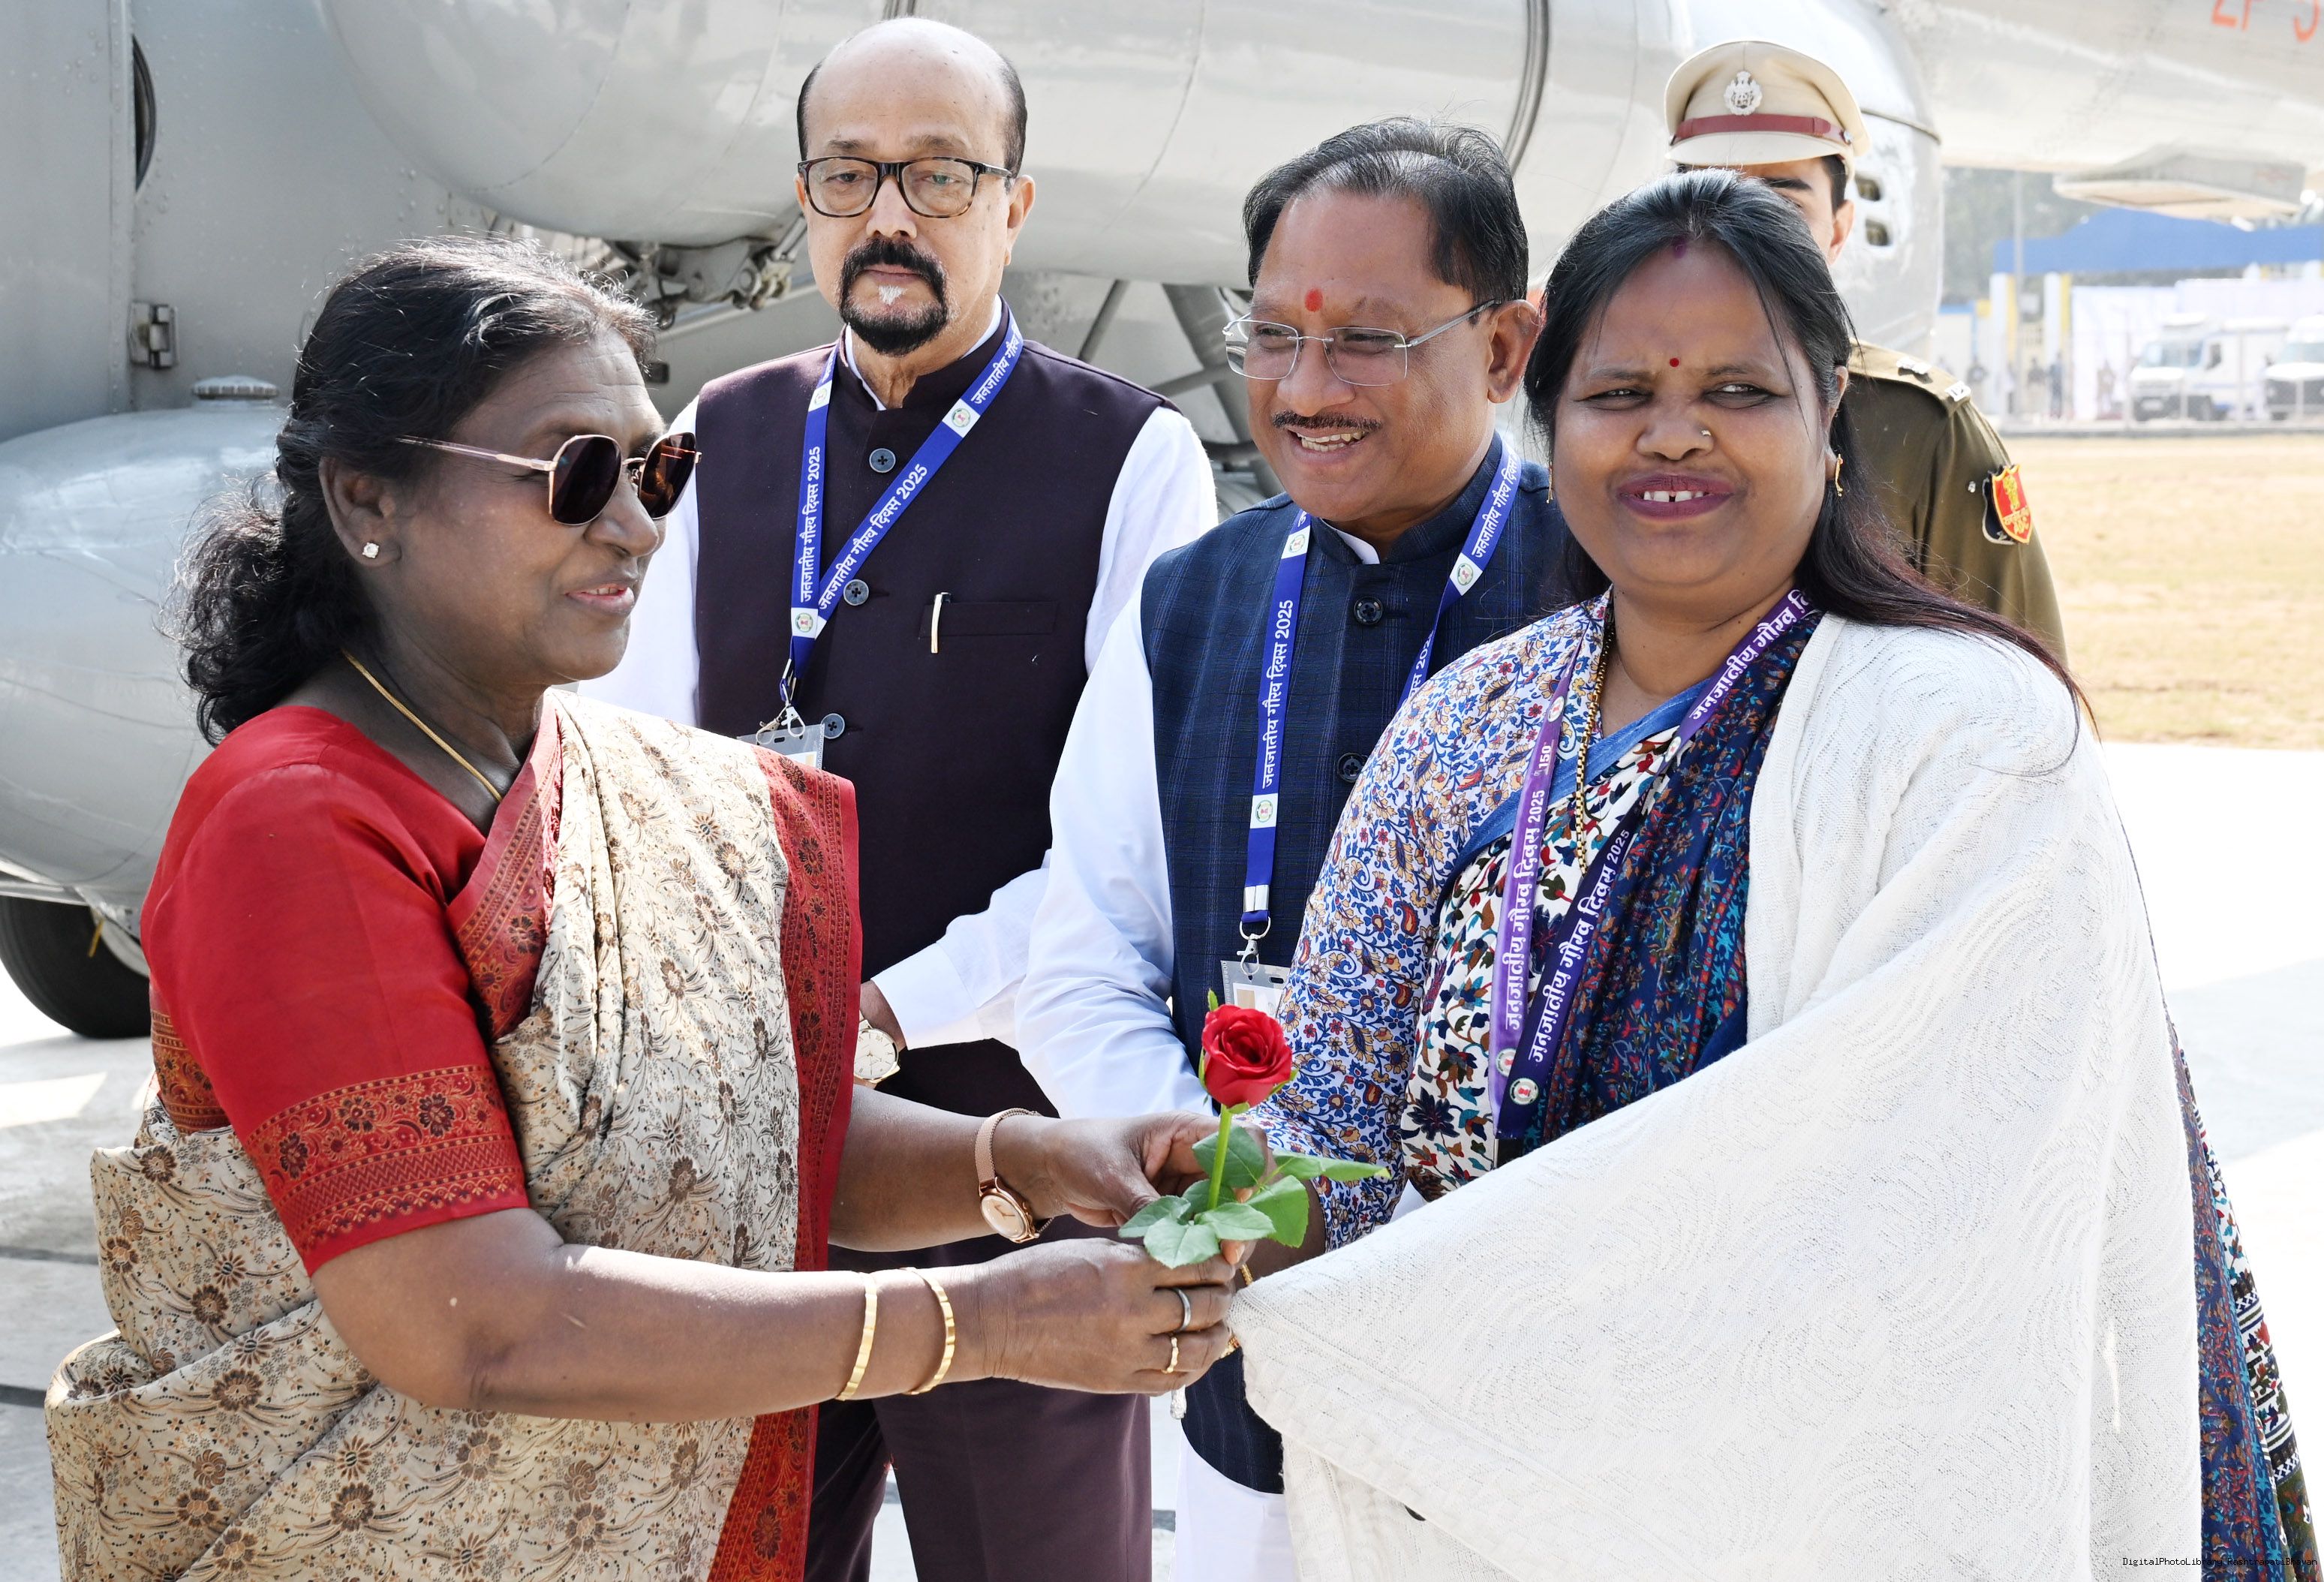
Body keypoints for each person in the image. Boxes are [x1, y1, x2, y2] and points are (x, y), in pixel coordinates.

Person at [44, 237, 1240, 1582]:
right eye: (574, 472)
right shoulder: (300, 822)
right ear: (369, 496)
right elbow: (474, 1321)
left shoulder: (608, 776)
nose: (637, 524)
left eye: (656, 469)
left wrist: (1028, 1160)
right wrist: (980, 1322)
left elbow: (743, 1141)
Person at [1231, 172, 2316, 1578]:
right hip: (1464, 1514)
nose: (1672, 433)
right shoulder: (1461, 727)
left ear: (1830, 415)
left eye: (1738, 390)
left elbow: (1944, 1218)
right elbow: (1332, 1118)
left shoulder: (1970, 743)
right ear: (1549, 420)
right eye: (1618, 393)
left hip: (1826, 1519)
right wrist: (1218, 1207)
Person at [583, 19, 1218, 1580]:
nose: (889, 216)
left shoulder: (1130, 458)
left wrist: (876, 1014)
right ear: (804, 198)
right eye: (849, 175)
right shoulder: (715, 436)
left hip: (1019, 1164)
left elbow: (1120, 857)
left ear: (1013, 202)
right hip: (746, 1163)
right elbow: (621, 768)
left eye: (939, 175)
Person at [1018, 119, 1562, 1580]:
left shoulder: (1613, 589)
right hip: (1249, 1369)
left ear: (1504, 346)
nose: (1307, 390)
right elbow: (1083, 963)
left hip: (1532, 1390)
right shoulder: (1190, 601)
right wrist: (1222, 1179)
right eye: (1271, 337)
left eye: (1368, 340)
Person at [1664, 39, 2067, 655]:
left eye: (1781, 206)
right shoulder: (1606, 408)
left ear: (1839, 229)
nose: (1744, 236)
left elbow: (2023, 676)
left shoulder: (1918, 428)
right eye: (1714, 201)